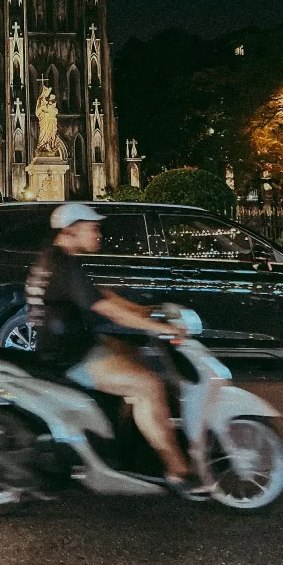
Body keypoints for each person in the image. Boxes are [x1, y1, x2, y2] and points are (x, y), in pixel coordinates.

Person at [25, 203, 210, 499]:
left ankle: (126, 436)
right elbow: (107, 309)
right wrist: (159, 328)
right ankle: (178, 472)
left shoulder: (56, 259)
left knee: (135, 355)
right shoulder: (63, 265)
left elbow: (102, 294)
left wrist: (146, 311)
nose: (99, 234)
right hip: (70, 356)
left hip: (74, 343)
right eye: (93, 228)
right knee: (150, 386)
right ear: (71, 229)